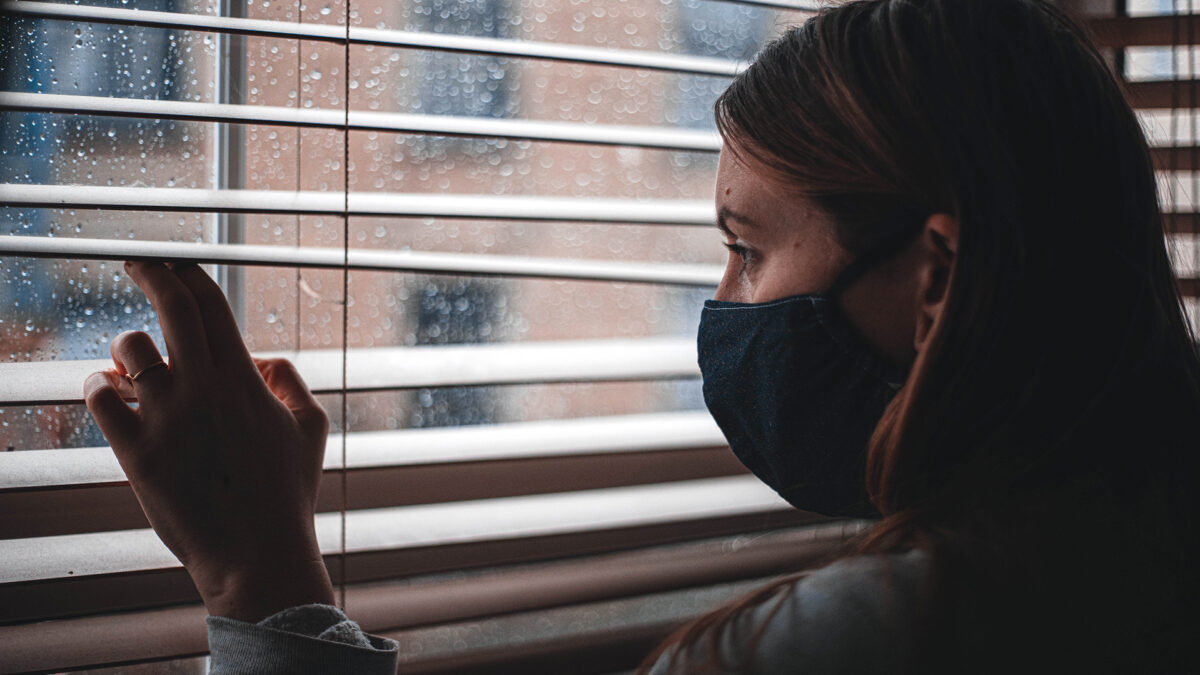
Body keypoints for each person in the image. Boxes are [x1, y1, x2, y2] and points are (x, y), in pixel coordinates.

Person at [82, 0, 1200, 672]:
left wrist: (256, 577)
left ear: (935, 280)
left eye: (749, 250)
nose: (723, 304)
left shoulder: (851, 646)